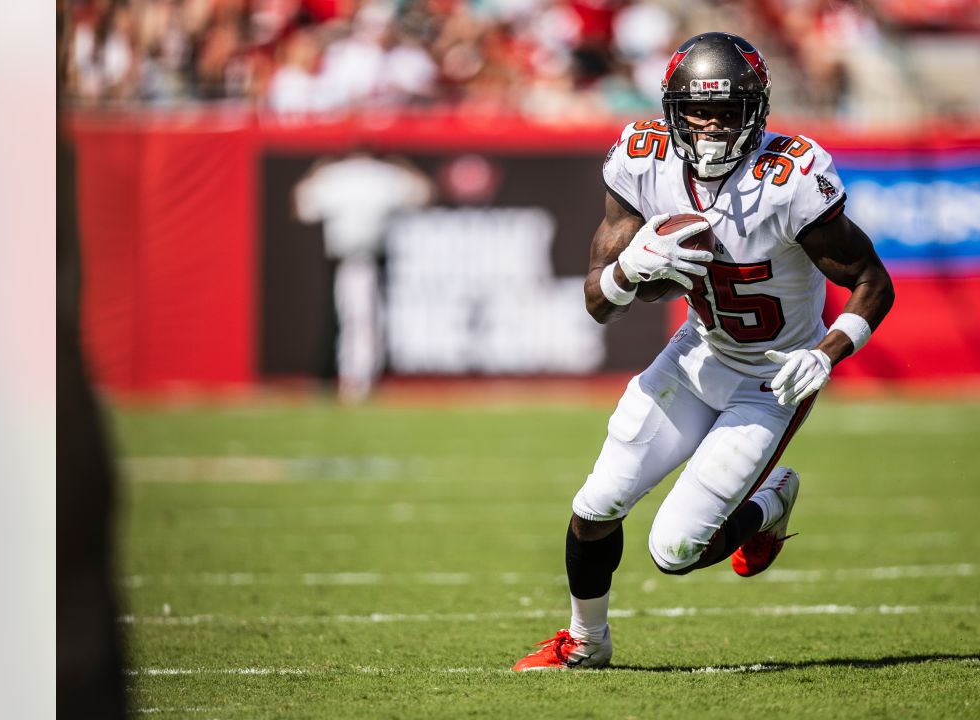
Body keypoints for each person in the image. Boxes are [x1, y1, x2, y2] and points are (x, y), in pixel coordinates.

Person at [512, 32, 895, 671]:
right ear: (670, 108)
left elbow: (871, 283)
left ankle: (772, 498)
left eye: (727, 109)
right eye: (697, 109)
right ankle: (585, 641)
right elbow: (597, 303)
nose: (711, 125)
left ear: (758, 110)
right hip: (697, 356)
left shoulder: (789, 178)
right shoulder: (642, 160)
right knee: (596, 504)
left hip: (772, 380)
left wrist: (826, 353)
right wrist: (628, 270)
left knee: (676, 550)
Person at [294, 150, 433, 403]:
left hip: (350, 257)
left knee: (352, 319)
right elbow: (422, 194)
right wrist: (406, 167)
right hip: (360, 258)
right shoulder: (384, 175)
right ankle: (357, 380)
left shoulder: (332, 175)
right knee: (361, 320)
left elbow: (303, 208)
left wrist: (312, 174)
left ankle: (351, 380)